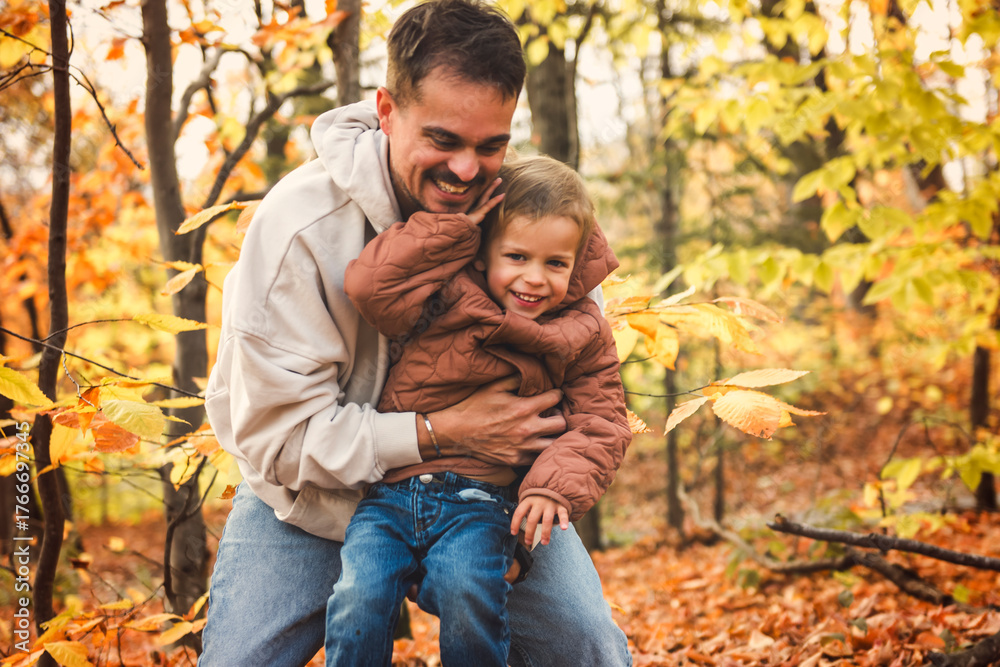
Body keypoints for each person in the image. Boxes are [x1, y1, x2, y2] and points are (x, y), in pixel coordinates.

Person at [199, 1, 632, 665]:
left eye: (491, 145)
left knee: (589, 646)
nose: (466, 170)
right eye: (443, 139)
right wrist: (441, 429)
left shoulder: (528, 219)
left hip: (485, 497)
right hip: (312, 501)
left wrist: (545, 483)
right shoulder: (301, 229)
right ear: (386, 110)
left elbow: (587, 383)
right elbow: (276, 439)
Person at [328, 156, 631, 665]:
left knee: (469, 592)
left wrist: (551, 488)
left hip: (483, 501)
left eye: (555, 263)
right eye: (516, 256)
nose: (534, 279)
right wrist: (450, 232)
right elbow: (369, 289)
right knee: (359, 595)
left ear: (576, 263)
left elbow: (602, 421)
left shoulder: (583, 329)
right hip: (390, 495)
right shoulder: (446, 292)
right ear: (484, 250)